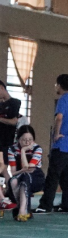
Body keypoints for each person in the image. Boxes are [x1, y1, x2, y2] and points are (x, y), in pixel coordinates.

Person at [34, 74, 68, 214]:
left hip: (61, 146)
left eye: (56, 84)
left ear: (59, 85)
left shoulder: (63, 100)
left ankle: (45, 205)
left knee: (53, 176)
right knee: (67, 177)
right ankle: (67, 205)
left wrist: (57, 133)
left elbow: (59, 118)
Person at [7, 125, 45, 221]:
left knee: (25, 177)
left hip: (36, 177)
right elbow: (13, 172)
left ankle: (22, 211)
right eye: (24, 140)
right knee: (13, 181)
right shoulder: (12, 149)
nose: (27, 143)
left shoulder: (37, 149)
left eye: (30, 140)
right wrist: (23, 170)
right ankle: (22, 208)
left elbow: (28, 168)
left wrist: (23, 151)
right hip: (20, 175)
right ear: (18, 139)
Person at [0, 80, 20, 211]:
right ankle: (6, 197)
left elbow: (14, 122)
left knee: (3, 170)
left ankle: (11, 197)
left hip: (6, 142)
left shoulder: (15, 103)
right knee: (2, 172)